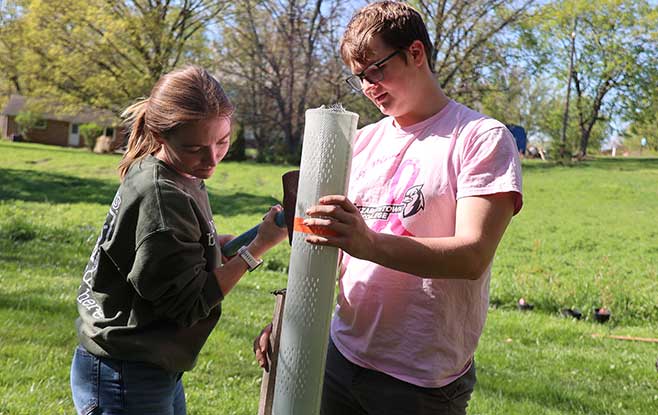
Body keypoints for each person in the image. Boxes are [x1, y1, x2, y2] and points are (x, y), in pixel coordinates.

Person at [254, 2, 523, 414]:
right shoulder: (360, 142)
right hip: (341, 355)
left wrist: (370, 243)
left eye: (376, 70)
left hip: (421, 381)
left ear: (416, 53)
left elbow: (473, 255)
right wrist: (295, 322)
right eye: (359, 77)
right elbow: (326, 241)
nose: (368, 87)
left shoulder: (480, 138)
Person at [70, 65, 287, 415]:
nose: (212, 159)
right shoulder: (162, 194)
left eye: (222, 141)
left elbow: (178, 250)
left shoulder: (176, 171)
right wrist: (255, 249)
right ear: (160, 136)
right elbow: (189, 303)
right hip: (125, 372)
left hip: (147, 363)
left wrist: (222, 244)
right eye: (195, 148)